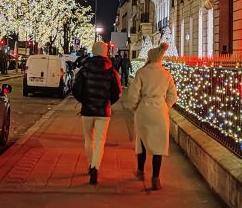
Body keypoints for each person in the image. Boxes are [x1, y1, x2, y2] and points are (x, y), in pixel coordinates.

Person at [127, 42, 177, 190]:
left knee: (142, 141)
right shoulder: (166, 74)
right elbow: (173, 95)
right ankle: (156, 178)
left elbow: (133, 94)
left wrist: (135, 106)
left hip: (144, 109)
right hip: (160, 110)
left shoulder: (141, 72)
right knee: (159, 145)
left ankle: (140, 171)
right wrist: (165, 105)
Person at [72, 39, 121, 185]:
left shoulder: (85, 69)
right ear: (105, 52)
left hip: (87, 110)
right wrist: (107, 102)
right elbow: (117, 92)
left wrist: (84, 101)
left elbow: (76, 89)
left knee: (88, 139)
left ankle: (90, 164)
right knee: (100, 141)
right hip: (103, 111)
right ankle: (95, 167)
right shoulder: (111, 70)